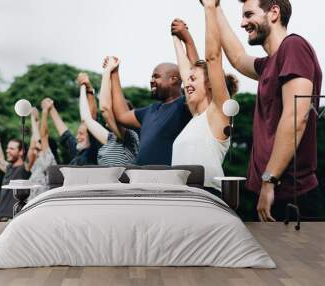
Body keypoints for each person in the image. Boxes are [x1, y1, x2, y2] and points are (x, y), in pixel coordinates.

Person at [214, 0, 322, 221]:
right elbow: (237, 58)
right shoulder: (269, 64)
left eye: (249, 15)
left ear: (274, 13)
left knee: (292, 257)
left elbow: (296, 117)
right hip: (272, 192)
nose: (243, 23)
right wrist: (214, 8)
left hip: (289, 194)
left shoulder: (293, 47)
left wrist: (269, 180)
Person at [171, 13, 239, 196]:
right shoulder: (196, 118)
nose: (187, 83)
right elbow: (186, 72)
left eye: (193, 79)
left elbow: (213, 58)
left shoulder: (218, 112)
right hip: (181, 197)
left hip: (206, 195)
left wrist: (210, 8)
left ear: (210, 83)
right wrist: (175, 38)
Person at [109, 54, 197, 165]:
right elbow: (122, 115)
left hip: (168, 179)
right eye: (151, 77)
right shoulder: (150, 110)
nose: (151, 80)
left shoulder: (185, 106)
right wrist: (114, 73)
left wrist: (185, 41)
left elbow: (198, 82)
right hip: (141, 179)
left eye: (156, 76)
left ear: (173, 79)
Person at [78, 69, 139, 165]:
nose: (106, 122)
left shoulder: (129, 138)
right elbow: (86, 118)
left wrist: (107, 71)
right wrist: (83, 87)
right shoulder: (110, 139)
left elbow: (105, 109)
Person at [49, 78, 101, 165]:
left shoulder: (93, 153)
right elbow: (66, 135)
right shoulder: (78, 150)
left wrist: (89, 90)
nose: (77, 137)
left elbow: (90, 119)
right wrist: (51, 109)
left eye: (81, 133)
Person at [0, 128, 31, 221]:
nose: (7, 150)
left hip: (15, 218)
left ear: (21, 152)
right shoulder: (9, 168)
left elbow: (31, 155)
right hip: (4, 219)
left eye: (11, 148)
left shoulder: (24, 169)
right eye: (7, 148)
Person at [27, 100, 58, 200]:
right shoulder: (38, 163)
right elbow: (37, 139)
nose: (35, 148)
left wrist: (45, 112)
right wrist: (34, 120)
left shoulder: (48, 158)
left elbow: (43, 136)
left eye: (39, 146)